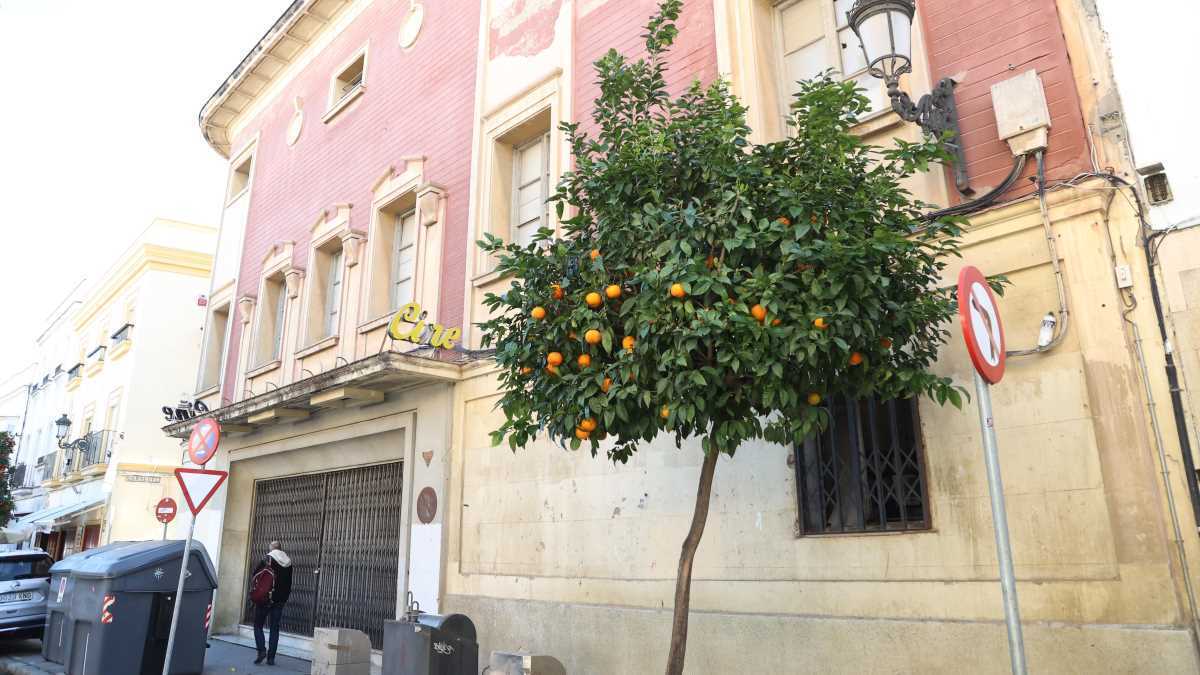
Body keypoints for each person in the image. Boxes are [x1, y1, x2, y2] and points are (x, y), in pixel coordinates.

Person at [250, 541, 292, 665]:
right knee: (274, 628)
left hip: (265, 599)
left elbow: (256, 575)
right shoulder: (289, 562)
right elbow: (289, 582)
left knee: (258, 625)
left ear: (272, 548)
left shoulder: (268, 558)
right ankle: (271, 658)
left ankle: (261, 651)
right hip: (280, 600)